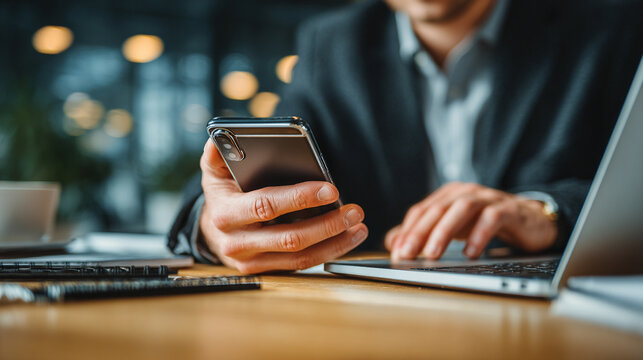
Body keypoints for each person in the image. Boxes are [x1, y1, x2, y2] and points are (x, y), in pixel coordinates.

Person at [169, 0, 643, 273]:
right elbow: (244, 180)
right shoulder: (334, 43)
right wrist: (215, 225)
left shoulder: (611, 26)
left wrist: (546, 210)